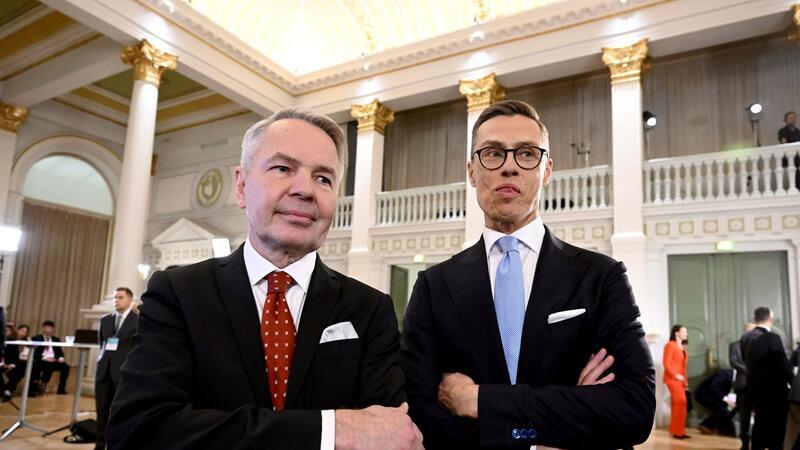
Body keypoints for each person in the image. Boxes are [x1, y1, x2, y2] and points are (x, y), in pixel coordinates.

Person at [108, 108, 423, 450]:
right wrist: (332, 430)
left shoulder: (370, 308)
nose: (305, 189)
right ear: (241, 186)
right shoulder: (179, 294)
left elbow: (390, 435)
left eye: (324, 178)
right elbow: (139, 430)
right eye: (283, 168)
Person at [401, 100, 656, 449]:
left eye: (526, 154)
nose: (509, 167)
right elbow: (421, 410)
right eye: (492, 154)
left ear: (547, 170)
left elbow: (634, 410)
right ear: (472, 172)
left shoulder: (601, 276)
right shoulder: (434, 285)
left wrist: (480, 402)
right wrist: (564, 420)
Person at [94, 287, 138, 450]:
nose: (116, 301)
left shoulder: (137, 320)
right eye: (114, 298)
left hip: (124, 374)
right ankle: (99, 445)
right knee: (101, 411)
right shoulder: (105, 320)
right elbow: (102, 344)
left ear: (129, 300)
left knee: (120, 412)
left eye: (120, 297)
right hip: (103, 372)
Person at [744, 307, 792, 450]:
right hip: (774, 391)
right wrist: (793, 382)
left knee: (759, 423)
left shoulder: (745, 337)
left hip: (755, 388)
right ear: (770, 319)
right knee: (777, 428)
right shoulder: (773, 338)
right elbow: (782, 363)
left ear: (755, 318)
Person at [730, 322, 756, 448]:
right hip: (743, 384)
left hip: (759, 384)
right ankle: (744, 443)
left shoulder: (759, 344)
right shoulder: (734, 345)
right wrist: (749, 370)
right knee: (744, 415)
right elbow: (733, 361)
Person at [663, 325, 689, 439]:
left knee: (680, 405)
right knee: (680, 402)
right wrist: (675, 375)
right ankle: (677, 431)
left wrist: (685, 381)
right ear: (676, 333)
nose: (686, 333)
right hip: (672, 379)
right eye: (684, 331)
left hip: (681, 380)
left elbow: (683, 367)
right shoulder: (670, 345)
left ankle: (679, 431)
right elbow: (666, 363)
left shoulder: (682, 347)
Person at [32, 320, 69, 395]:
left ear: (53, 329)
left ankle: (61, 389)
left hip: (53, 359)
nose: (48, 330)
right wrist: (45, 358)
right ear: (43, 328)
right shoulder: (36, 338)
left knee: (65, 367)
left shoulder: (56, 339)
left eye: (50, 328)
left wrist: (60, 357)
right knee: (48, 365)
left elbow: (59, 351)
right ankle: (43, 383)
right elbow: (35, 352)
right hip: (42, 360)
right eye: (46, 328)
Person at [694, 368, 735, 436]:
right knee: (724, 412)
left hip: (714, 396)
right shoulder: (726, 374)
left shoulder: (733, 377)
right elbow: (714, 386)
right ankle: (704, 425)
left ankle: (715, 427)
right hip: (703, 394)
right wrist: (726, 399)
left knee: (728, 411)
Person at [2, 324, 31, 399]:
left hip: (10, 363)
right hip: (2, 363)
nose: (23, 333)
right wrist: (3, 364)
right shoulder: (10, 340)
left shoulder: (13, 342)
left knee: (20, 372)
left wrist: (12, 365)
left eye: (8, 331)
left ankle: (7, 390)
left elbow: (14, 356)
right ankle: (6, 390)